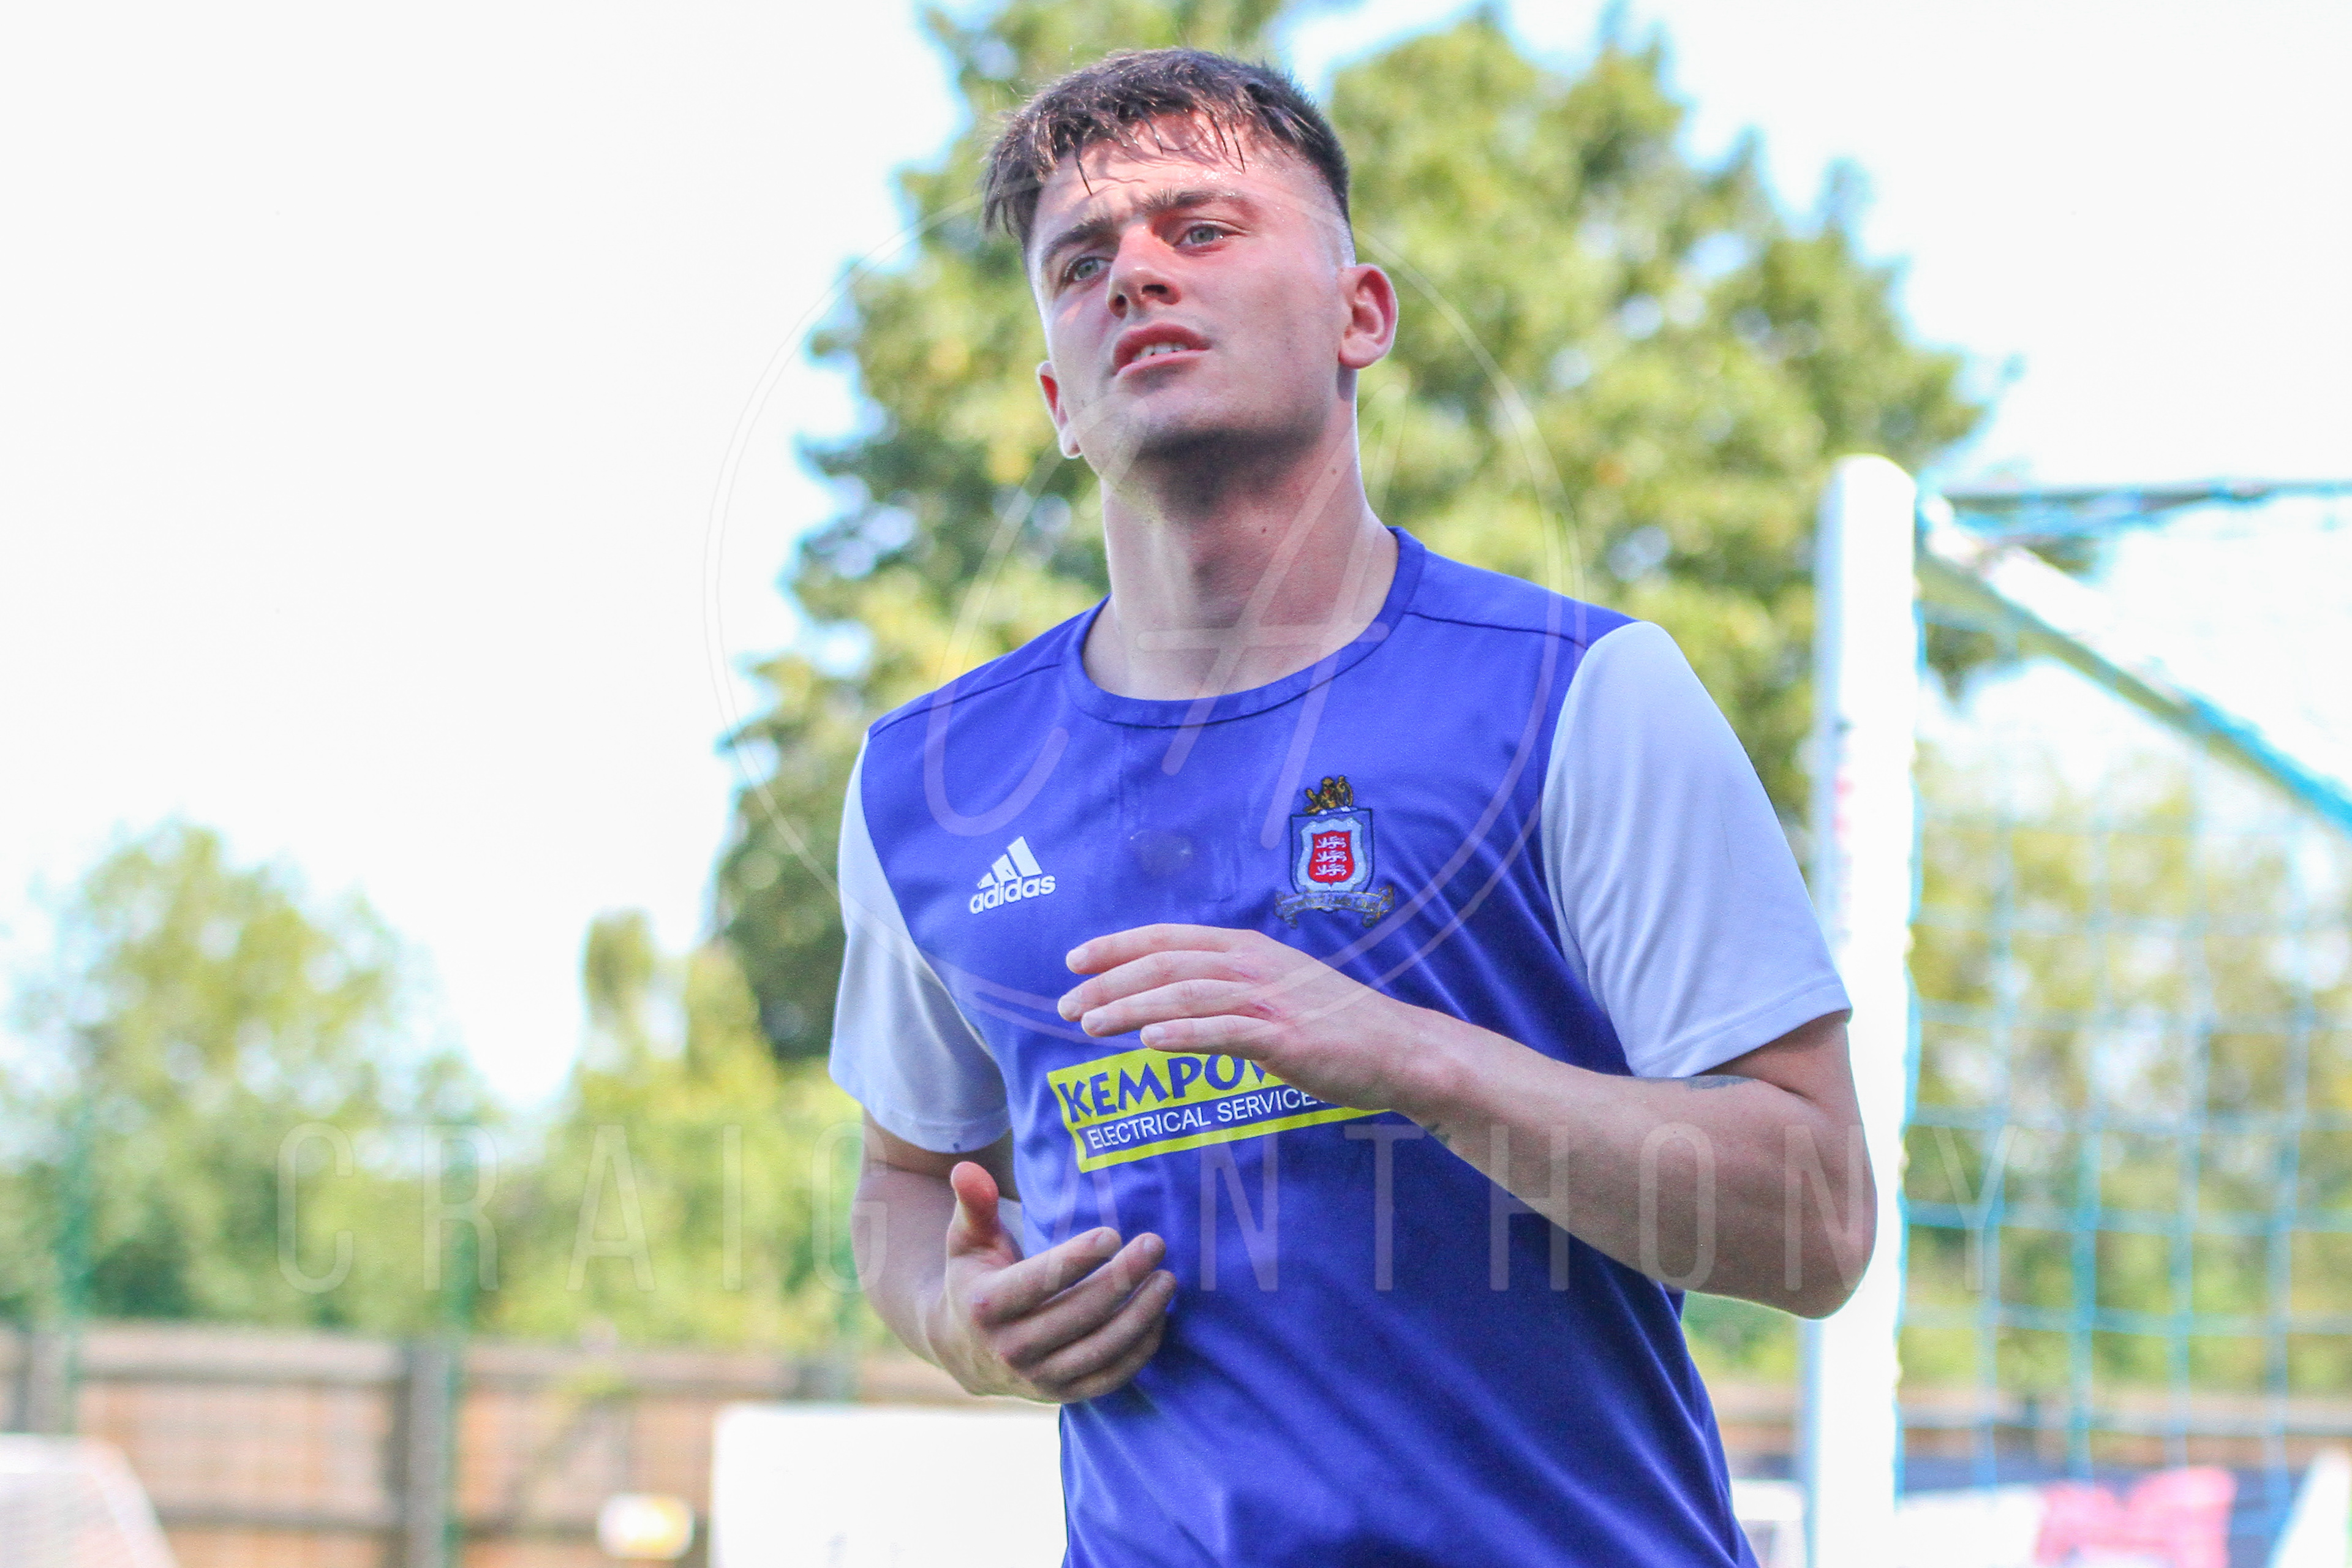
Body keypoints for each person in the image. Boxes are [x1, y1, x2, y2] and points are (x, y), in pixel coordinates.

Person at [827, 46, 1871, 1566]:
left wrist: (1406, 1054)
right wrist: (954, 1311)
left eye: (1202, 228)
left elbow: (1819, 1222)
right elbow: (905, 1182)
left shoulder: (1583, 697)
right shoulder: (928, 785)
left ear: (1359, 314)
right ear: (1058, 401)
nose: (1136, 274)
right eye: (1081, 261)